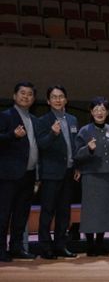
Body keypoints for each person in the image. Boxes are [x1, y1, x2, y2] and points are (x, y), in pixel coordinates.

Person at [36, 85, 79, 259]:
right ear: (48, 101)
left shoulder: (73, 119)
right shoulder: (43, 121)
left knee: (64, 212)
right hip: (51, 173)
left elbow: (76, 145)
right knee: (47, 211)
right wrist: (53, 134)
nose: (58, 99)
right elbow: (41, 145)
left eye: (61, 96)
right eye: (54, 97)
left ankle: (61, 245)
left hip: (69, 172)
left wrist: (77, 166)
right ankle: (45, 247)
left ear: (66, 100)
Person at [0, 82, 40, 262]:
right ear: (14, 96)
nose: (26, 96)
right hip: (8, 175)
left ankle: (17, 248)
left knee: (21, 215)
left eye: (29, 94)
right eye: (22, 93)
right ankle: (1, 250)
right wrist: (12, 136)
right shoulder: (5, 116)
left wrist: (37, 176)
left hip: (29, 174)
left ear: (33, 99)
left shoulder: (34, 120)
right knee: (3, 214)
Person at [74, 97, 109, 257]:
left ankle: (100, 242)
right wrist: (88, 149)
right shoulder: (85, 131)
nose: (100, 112)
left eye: (103, 109)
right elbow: (76, 154)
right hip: (91, 175)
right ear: (91, 112)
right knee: (90, 211)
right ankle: (90, 244)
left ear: (107, 112)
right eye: (96, 109)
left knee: (105, 210)